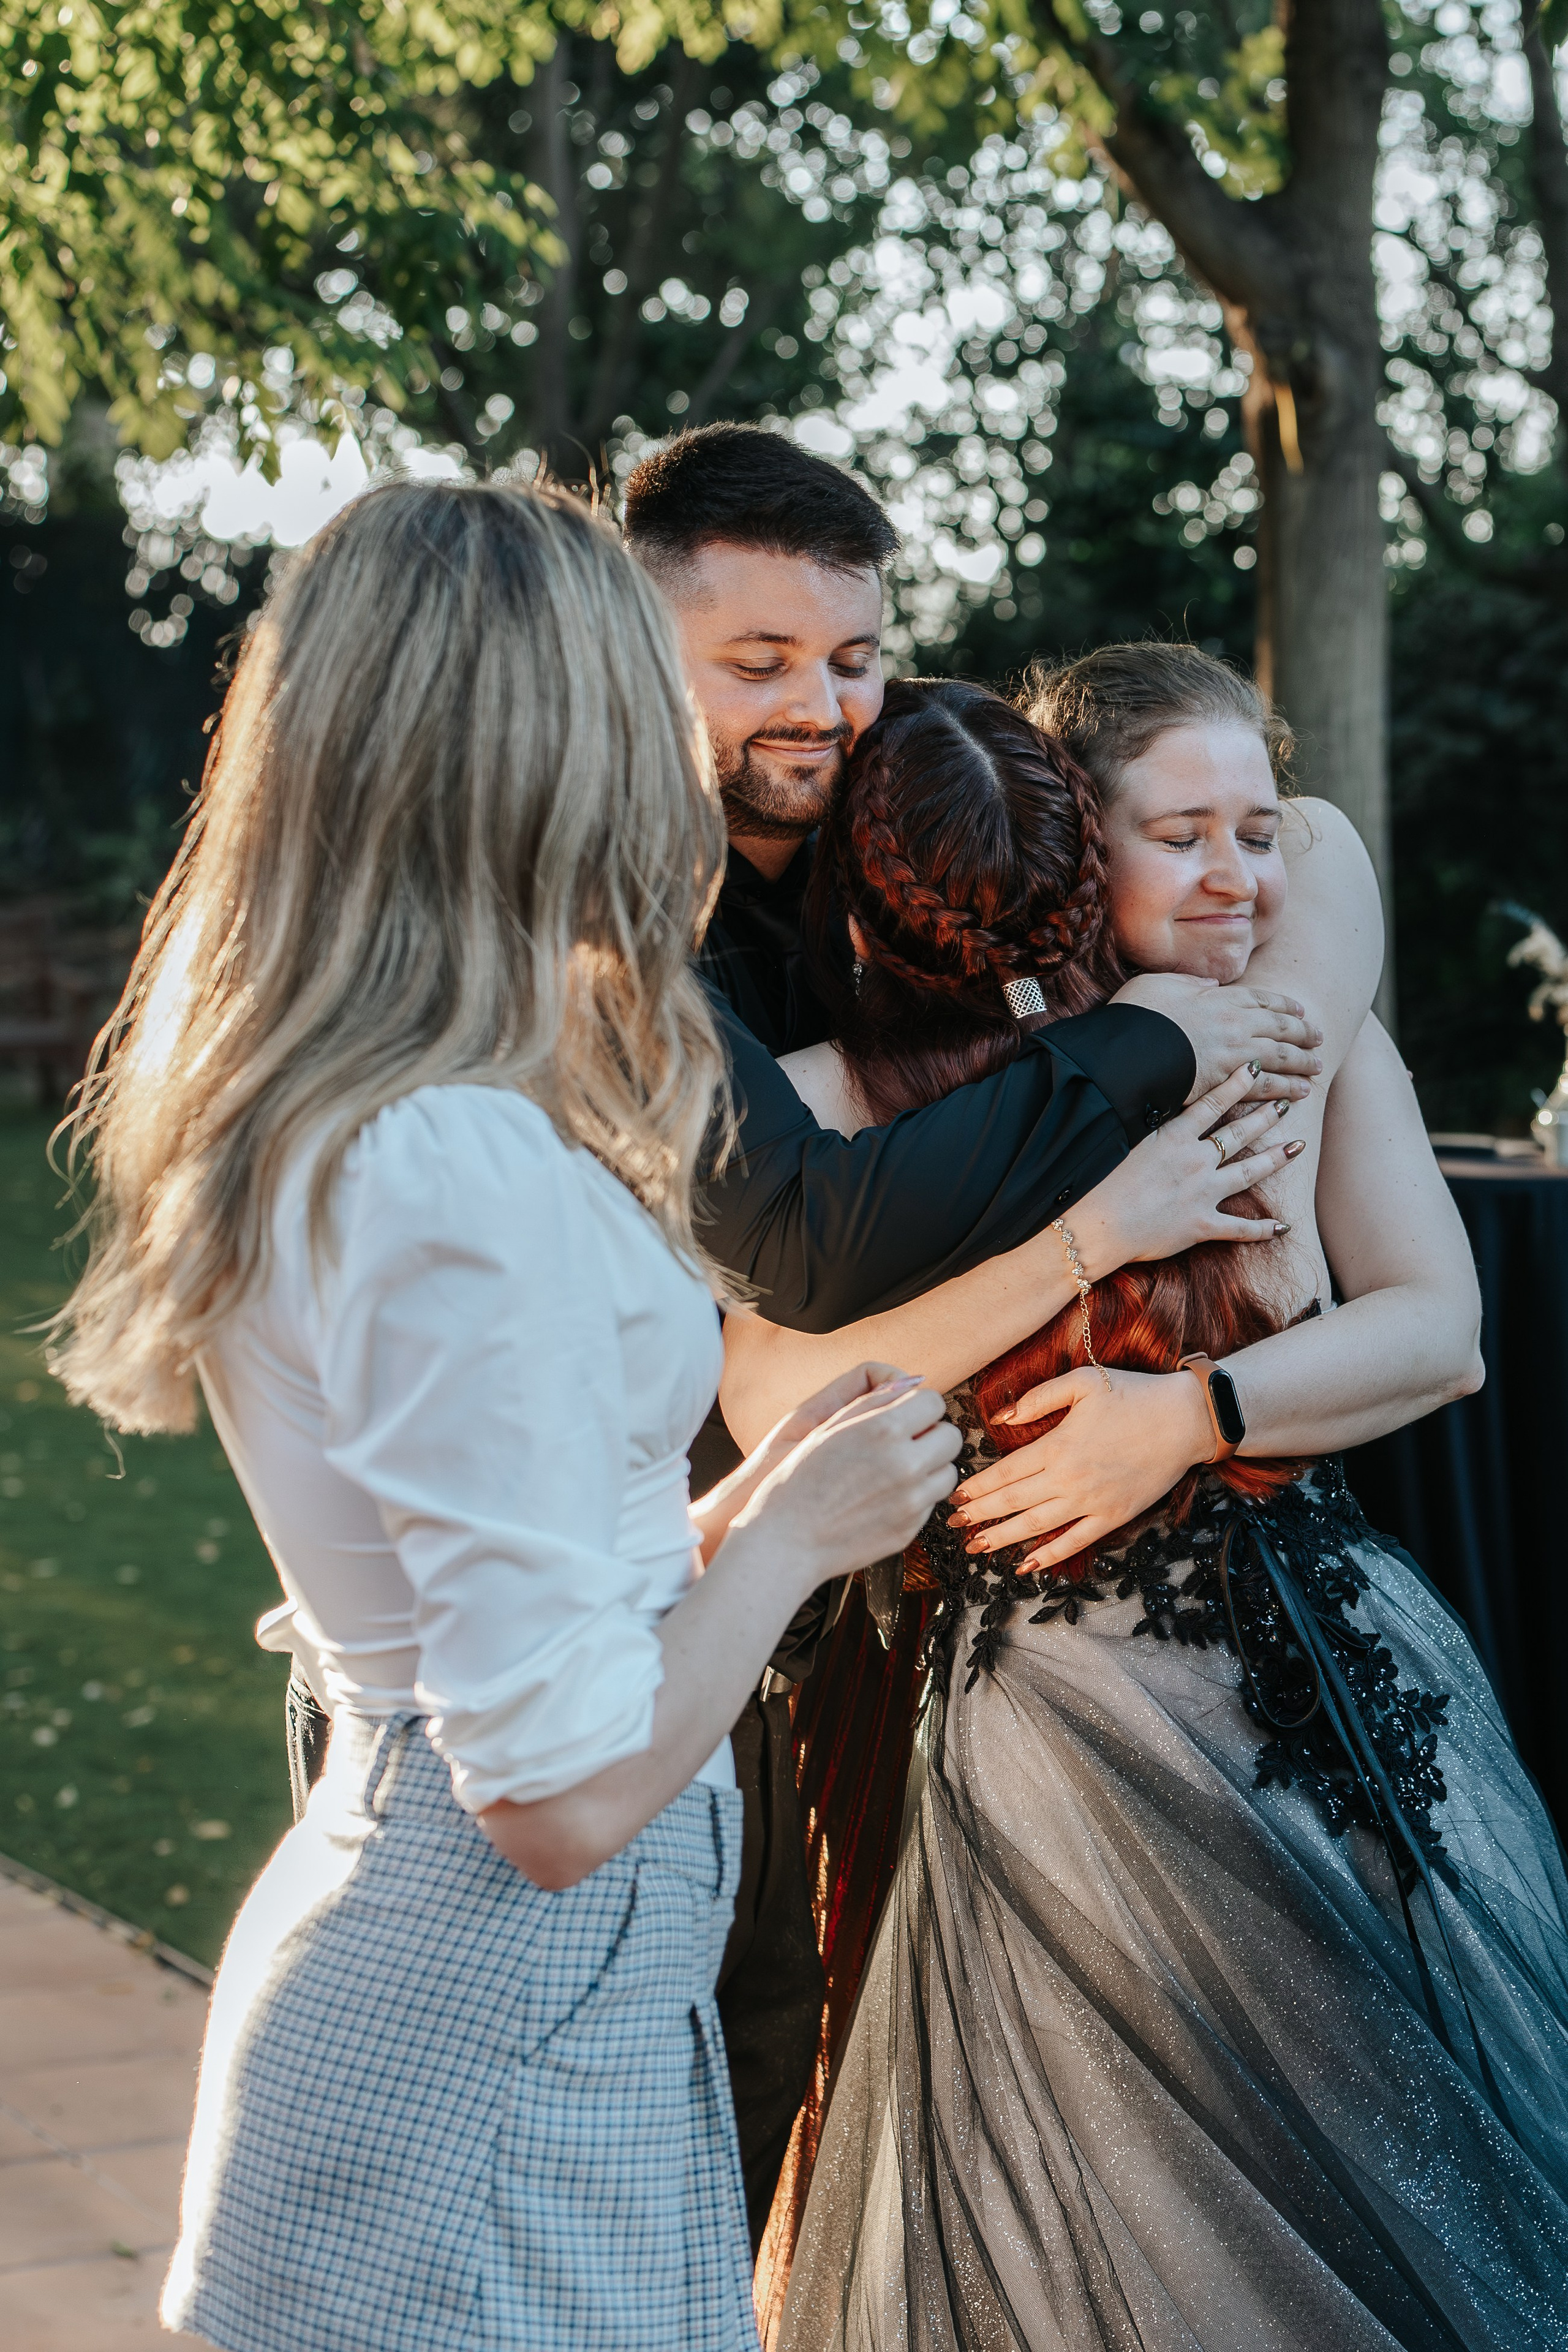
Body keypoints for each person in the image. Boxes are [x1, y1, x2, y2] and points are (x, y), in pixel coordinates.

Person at [45, 481, 964, 2351]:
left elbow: (496, 1569)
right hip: (499, 2025)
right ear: (543, 742)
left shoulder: (384, 1110)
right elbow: (550, 1797)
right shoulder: (445, 1155)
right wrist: (795, 1540)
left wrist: (725, 1513)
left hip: (532, 2015)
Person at [735, 655, 1568, 2346]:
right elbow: (761, 1398)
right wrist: (1098, 1229)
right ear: (1066, 852)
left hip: (1336, 1697)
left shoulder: (1306, 1042)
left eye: (1251, 831)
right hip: (1059, 1739)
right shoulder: (871, 1091)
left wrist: (1188, 1416)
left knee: (1402, 2193)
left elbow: (1442, 1337)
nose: (1238, 875)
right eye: (1182, 833)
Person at [617, 423, 1329, 2242]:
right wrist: (1149, 1045)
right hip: (667, 1549)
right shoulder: (615, 904)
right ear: (639, 653)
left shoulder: (887, 770)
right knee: (703, 2079)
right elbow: (790, 1233)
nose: (825, 705)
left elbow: (1301, 831)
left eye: (851, 655)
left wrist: (1284, 1001)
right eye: (758, 663)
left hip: (877, 1547)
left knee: (863, 2055)